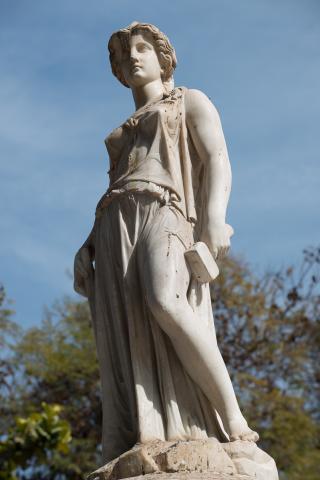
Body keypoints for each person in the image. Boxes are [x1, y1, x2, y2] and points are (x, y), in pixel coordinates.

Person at [74, 22, 258, 464]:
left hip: (167, 209)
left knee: (164, 301)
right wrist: (89, 244)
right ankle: (146, 432)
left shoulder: (188, 101)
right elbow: (118, 184)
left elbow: (216, 158)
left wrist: (215, 218)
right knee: (124, 331)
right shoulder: (123, 129)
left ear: (163, 56)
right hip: (114, 224)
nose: (132, 57)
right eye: (123, 54)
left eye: (141, 48)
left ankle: (232, 419)